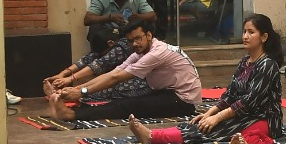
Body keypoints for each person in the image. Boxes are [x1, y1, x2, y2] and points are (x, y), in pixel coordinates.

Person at [128, 14, 285, 144]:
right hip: (243, 114)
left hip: (263, 120)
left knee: (212, 129)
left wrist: (218, 117)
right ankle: (154, 134)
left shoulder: (267, 65)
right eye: (244, 31)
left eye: (251, 32)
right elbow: (230, 94)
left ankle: (153, 137)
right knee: (200, 123)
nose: (245, 36)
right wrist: (209, 114)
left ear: (264, 37)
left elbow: (248, 102)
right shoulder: (245, 61)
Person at [51, 22, 201, 120]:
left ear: (149, 35)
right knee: (123, 101)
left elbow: (116, 78)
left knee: (128, 106)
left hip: (183, 100)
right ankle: (73, 110)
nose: (134, 44)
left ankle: (70, 115)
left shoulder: (157, 53)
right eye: (130, 41)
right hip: (166, 92)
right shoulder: (140, 52)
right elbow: (112, 73)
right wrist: (76, 89)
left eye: (138, 38)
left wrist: (81, 92)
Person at [83, 0, 156, 54]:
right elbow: (87, 19)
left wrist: (138, 17)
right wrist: (110, 18)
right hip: (108, 32)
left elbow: (153, 16)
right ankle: (95, 55)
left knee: (147, 25)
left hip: (129, 32)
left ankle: (148, 54)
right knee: (94, 27)